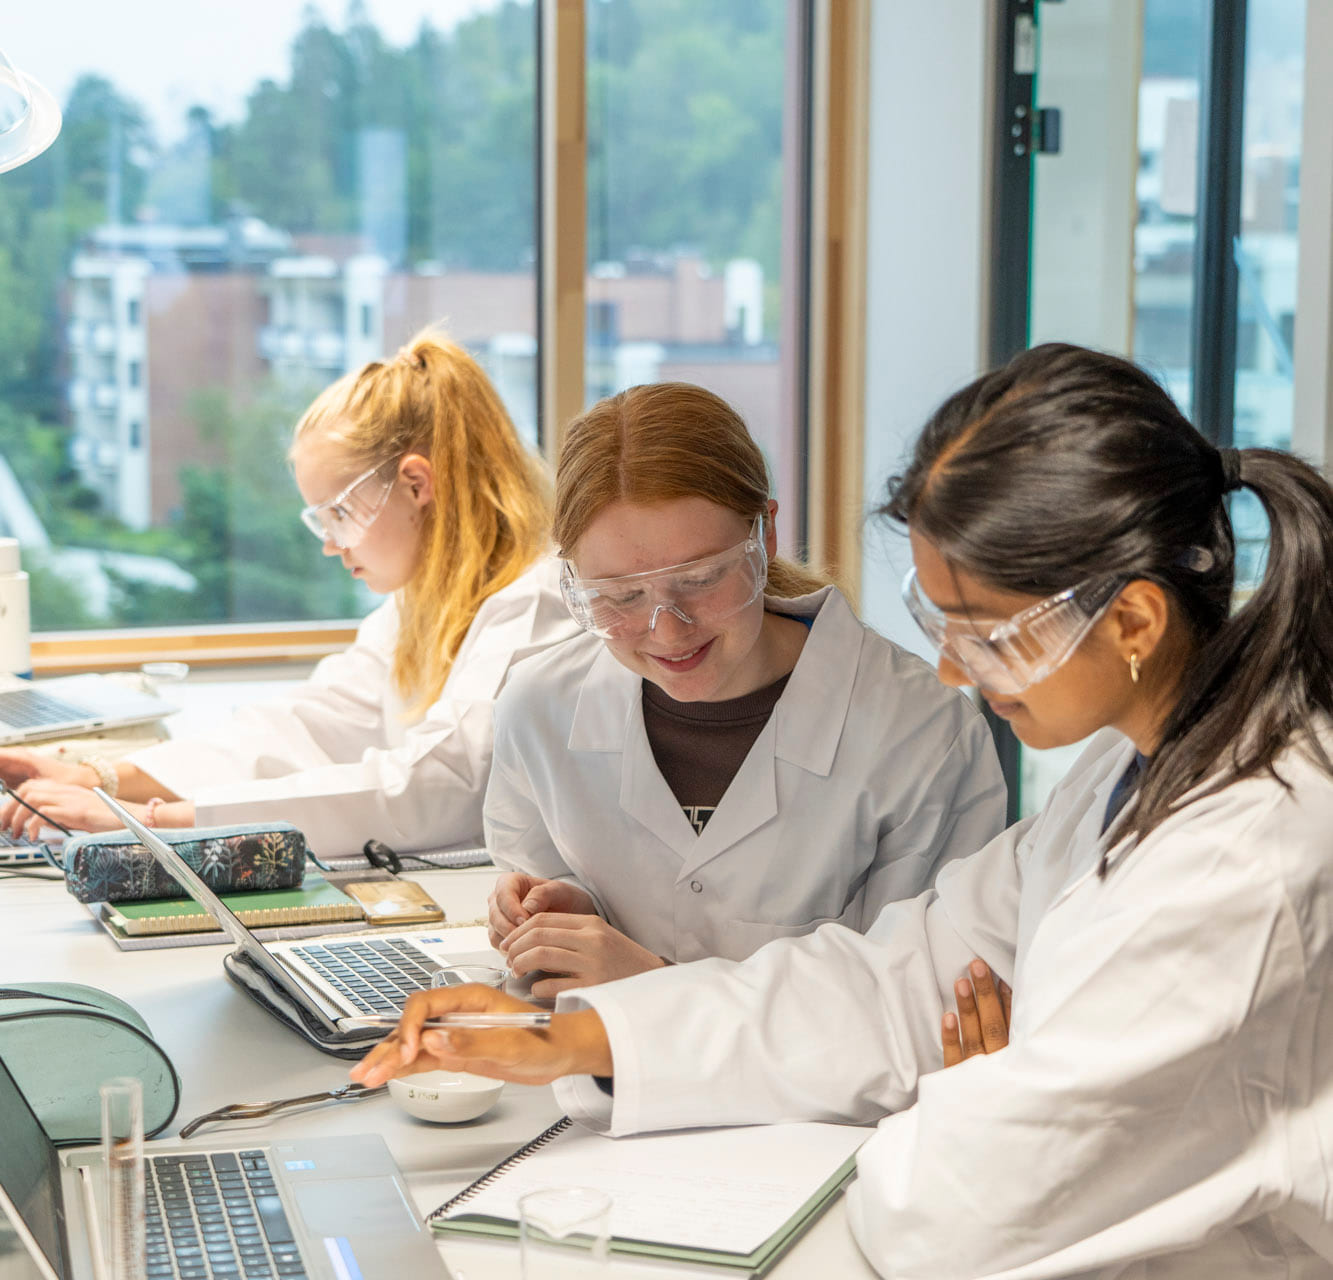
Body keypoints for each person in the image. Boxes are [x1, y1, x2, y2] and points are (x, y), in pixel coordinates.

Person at [354, 344, 1333, 1278]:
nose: (950, 667)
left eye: (981, 632)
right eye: (932, 618)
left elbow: (956, 1204)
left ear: (1129, 622)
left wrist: (960, 1092)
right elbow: (894, 975)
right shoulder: (1132, 763)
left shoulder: (1242, 852)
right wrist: (582, 1035)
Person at [482, 381, 1007, 994]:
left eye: (702, 578)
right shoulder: (537, 708)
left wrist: (654, 985)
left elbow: (928, 1001)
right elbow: (542, 942)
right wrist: (566, 917)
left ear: (766, 536)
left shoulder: (921, 732)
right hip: (591, 1083)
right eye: (620, 596)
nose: (668, 631)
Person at [0, 332, 580, 858]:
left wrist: (152, 820)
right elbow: (303, 730)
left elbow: (432, 787)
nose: (330, 545)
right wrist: (102, 776)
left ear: (416, 484)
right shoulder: (418, 607)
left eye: (340, 515)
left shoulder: (534, 603)